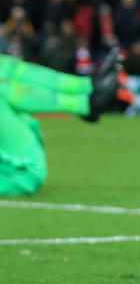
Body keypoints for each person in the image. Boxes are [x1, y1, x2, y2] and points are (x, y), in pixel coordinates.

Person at [0, 49, 133, 195]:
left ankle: (89, 85)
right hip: (18, 174)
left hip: (20, 164)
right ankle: (87, 103)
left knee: (4, 65)